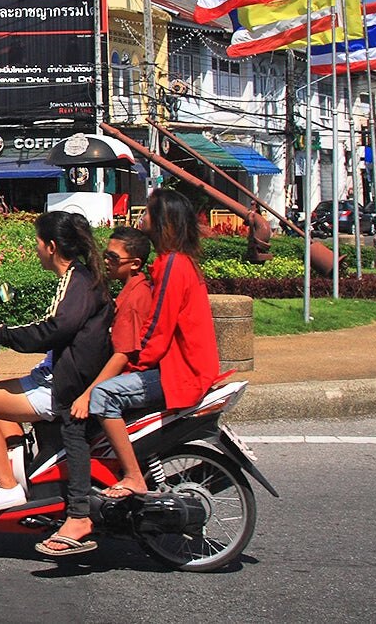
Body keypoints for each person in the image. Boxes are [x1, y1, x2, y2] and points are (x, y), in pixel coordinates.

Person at [0, 210, 113, 521]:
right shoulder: (80, 278)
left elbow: (51, 329)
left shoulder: (76, 282)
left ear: (52, 247)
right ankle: (18, 471)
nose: (35, 249)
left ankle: (6, 486)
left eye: (38, 243)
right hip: (62, 374)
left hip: (64, 385)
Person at [83, 188, 221, 513]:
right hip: (181, 367)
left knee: (103, 395)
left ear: (163, 222)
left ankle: (133, 476)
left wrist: (134, 366)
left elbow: (158, 329)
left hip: (179, 372)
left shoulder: (173, 265)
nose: (142, 218)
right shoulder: (176, 263)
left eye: (148, 214)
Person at [36, 225, 156, 557]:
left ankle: (78, 514)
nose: (106, 261)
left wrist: (89, 393)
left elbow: (123, 354)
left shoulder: (134, 296)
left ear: (135, 263)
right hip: (118, 375)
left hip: (129, 378)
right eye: (105, 254)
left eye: (114, 258)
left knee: (73, 424)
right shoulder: (127, 289)